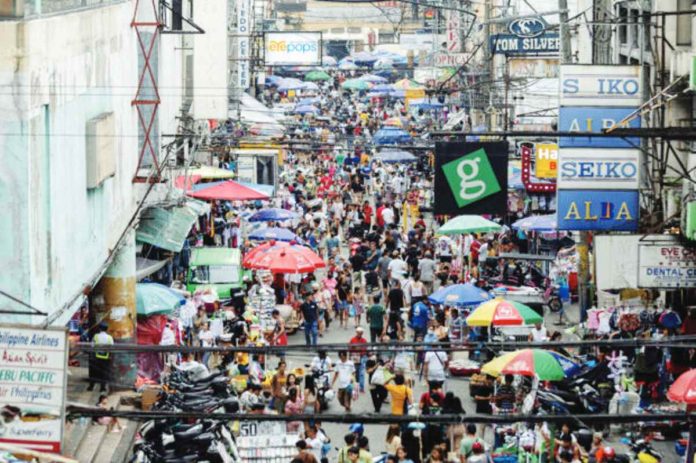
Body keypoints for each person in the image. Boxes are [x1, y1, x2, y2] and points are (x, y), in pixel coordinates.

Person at [89, 323, 113, 392]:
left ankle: (91, 386)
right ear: (106, 329)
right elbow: (111, 348)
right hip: (106, 358)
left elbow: (92, 346)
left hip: (96, 358)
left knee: (94, 373)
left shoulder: (96, 336)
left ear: (100, 329)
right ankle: (102, 388)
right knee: (104, 374)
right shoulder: (109, 337)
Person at [349, 327, 368, 392]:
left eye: (361, 333)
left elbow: (365, 350)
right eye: (358, 332)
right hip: (355, 357)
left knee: (361, 373)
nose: (360, 334)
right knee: (355, 372)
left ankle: (361, 387)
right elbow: (350, 349)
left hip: (362, 357)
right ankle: (355, 386)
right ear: (356, 333)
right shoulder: (353, 340)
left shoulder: (364, 341)